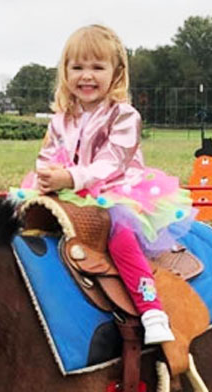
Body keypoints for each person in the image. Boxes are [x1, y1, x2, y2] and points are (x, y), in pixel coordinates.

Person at [15, 24, 196, 345]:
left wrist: (71, 177)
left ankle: (151, 309)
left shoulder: (124, 116)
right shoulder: (60, 119)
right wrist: (46, 176)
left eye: (97, 67)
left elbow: (113, 162)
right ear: (65, 73)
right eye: (78, 67)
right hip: (68, 191)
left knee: (120, 237)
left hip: (116, 191)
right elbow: (48, 155)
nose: (87, 76)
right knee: (21, 226)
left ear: (116, 74)